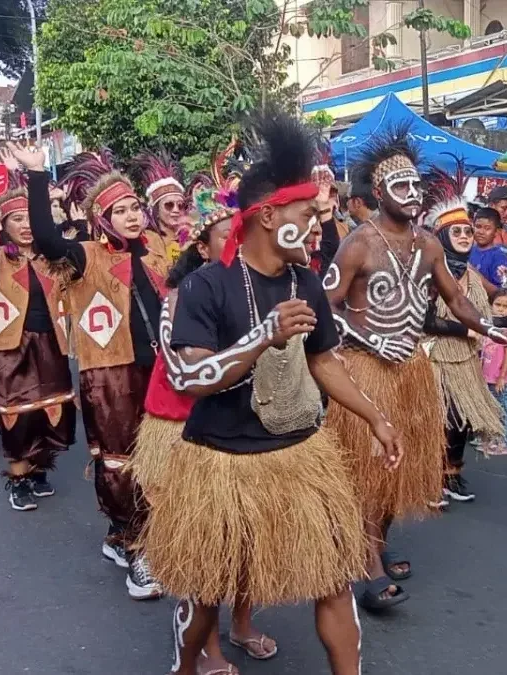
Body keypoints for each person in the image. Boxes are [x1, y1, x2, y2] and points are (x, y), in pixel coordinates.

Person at [138, 111, 399, 675]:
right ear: (266, 215)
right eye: (307, 216)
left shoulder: (304, 279)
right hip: (222, 461)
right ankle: (185, 667)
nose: (316, 227)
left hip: (302, 456)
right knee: (206, 589)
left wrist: (375, 416)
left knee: (335, 577)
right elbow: (191, 378)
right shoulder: (206, 287)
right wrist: (262, 335)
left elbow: (324, 359)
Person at [323, 124, 507, 610]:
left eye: (415, 186)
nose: (411, 195)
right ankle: (366, 565)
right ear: (378, 193)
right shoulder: (358, 245)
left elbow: (455, 300)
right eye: (401, 187)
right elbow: (323, 307)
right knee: (370, 466)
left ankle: (377, 546)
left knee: (398, 466)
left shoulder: (429, 244)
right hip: (365, 370)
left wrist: (491, 327)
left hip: (411, 371)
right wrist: (367, 337)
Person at [130, 151, 280, 672]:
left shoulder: (256, 285)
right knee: (208, 548)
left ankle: (240, 624)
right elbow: (187, 377)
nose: (239, 245)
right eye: (226, 237)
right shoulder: (184, 296)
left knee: (247, 541)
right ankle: (204, 649)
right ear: (201, 245)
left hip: (243, 430)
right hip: (184, 433)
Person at [10, 142, 171, 601]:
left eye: (135, 207)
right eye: (120, 211)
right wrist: (39, 175)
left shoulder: (159, 248)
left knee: (162, 459)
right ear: (103, 219)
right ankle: (133, 544)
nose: (133, 216)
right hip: (110, 375)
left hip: (162, 370)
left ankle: (137, 535)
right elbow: (44, 238)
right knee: (120, 461)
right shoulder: (84, 256)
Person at [0, 162, 76, 511]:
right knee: (17, 415)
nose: (27, 226)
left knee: (49, 412)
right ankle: (18, 480)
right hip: (9, 348)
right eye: (17, 219)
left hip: (50, 342)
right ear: (5, 223)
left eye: (30, 219)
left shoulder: (51, 258)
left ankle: (39, 470)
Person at [421, 192, 503, 502]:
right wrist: (465, 329)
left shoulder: (472, 275)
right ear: (442, 235)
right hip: (434, 357)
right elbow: (424, 321)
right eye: (457, 231)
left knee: (462, 419)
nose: (466, 236)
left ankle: (452, 473)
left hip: (465, 360)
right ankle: (429, 478)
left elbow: (495, 302)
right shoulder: (429, 273)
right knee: (437, 419)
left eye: (468, 231)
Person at [483, 288, 507, 456]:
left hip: (501, 378)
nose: (501, 309)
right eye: (498, 305)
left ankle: (504, 442)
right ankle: (492, 440)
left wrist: (502, 376)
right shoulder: (487, 326)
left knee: (503, 409)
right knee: (491, 408)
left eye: (506, 306)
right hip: (487, 375)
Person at [128, 150, 189, 245]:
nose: (176, 210)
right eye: (169, 205)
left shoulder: (192, 240)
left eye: (181, 205)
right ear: (156, 209)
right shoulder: (145, 241)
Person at [469, 207, 507, 287]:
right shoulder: (468, 250)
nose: (481, 232)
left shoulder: (499, 258)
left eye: (487, 228)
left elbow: (502, 290)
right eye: (478, 227)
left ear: (496, 231)